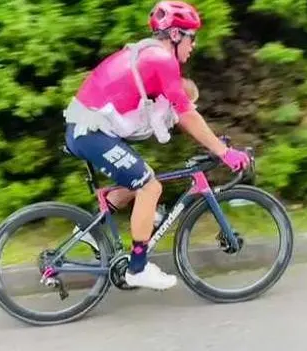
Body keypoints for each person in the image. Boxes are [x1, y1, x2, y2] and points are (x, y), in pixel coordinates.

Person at [63, 1, 250, 290]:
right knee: (150, 186)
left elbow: (177, 113)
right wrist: (224, 152)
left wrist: (213, 144)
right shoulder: (162, 60)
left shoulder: (148, 54)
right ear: (175, 35)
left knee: (139, 178)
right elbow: (187, 114)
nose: (194, 45)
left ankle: (90, 229)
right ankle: (137, 269)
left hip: (86, 127)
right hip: (89, 131)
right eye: (191, 37)